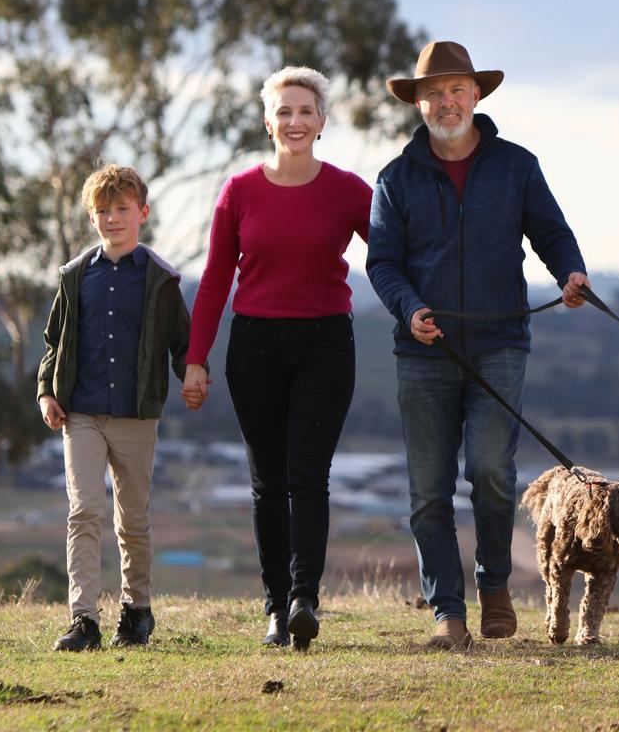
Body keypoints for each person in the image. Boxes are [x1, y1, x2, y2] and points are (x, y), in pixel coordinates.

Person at [367, 40, 591, 649]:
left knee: (491, 471)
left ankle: (494, 584)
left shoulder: (517, 166)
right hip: (422, 352)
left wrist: (570, 273)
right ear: (417, 103)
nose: (446, 102)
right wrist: (409, 309)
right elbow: (382, 263)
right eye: (433, 93)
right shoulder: (393, 180)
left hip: (500, 343)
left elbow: (551, 231)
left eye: (456, 90)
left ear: (477, 95)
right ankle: (447, 613)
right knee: (428, 488)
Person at [182, 66, 371, 651]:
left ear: (322, 121)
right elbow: (214, 281)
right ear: (268, 121)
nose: (294, 121)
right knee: (268, 482)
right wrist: (196, 359)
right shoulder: (239, 191)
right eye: (283, 111)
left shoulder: (349, 190)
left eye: (305, 111)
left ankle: (302, 600)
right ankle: (273, 606)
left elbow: (393, 261)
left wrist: (421, 307)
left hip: (325, 345)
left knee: (308, 475)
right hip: (255, 346)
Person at [37, 164, 195, 651]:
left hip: (136, 415)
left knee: (132, 519)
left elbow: (182, 345)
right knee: (83, 512)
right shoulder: (74, 276)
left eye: (122, 209)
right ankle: (83, 620)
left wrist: (193, 374)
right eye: (102, 211)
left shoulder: (162, 280)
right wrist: (47, 390)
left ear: (142, 213)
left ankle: (137, 610)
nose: (112, 218)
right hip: (79, 414)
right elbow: (53, 341)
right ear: (92, 218)